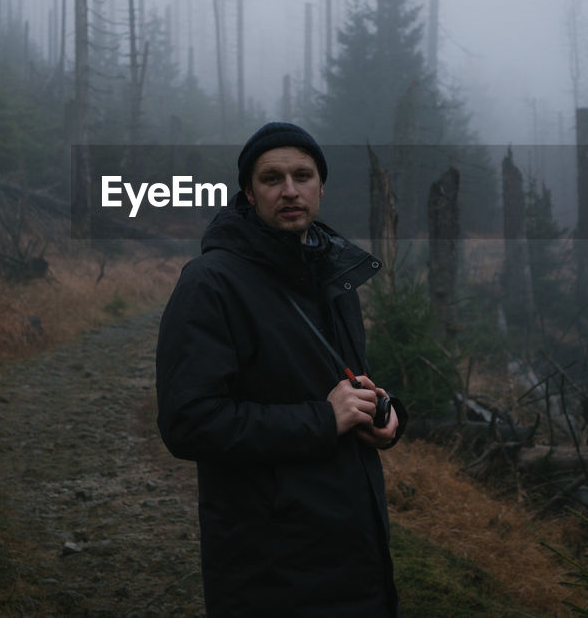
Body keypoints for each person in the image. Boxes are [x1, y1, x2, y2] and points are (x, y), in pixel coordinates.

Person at [156, 121, 407, 616]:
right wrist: (323, 419)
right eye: (272, 178)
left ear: (321, 186)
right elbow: (188, 422)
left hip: (356, 549)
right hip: (270, 565)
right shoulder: (210, 284)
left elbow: (343, 384)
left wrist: (385, 415)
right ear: (248, 193)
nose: (290, 190)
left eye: (302, 175)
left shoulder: (332, 273)